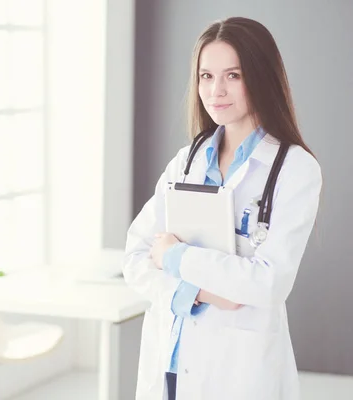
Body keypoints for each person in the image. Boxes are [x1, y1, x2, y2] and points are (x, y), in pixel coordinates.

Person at [123, 17, 322, 400]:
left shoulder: (294, 169)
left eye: (233, 75)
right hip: (170, 360)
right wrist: (204, 293)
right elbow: (135, 257)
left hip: (238, 370)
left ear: (260, 77)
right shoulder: (187, 161)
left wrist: (175, 255)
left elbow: (268, 283)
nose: (216, 90)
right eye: (206, 76)